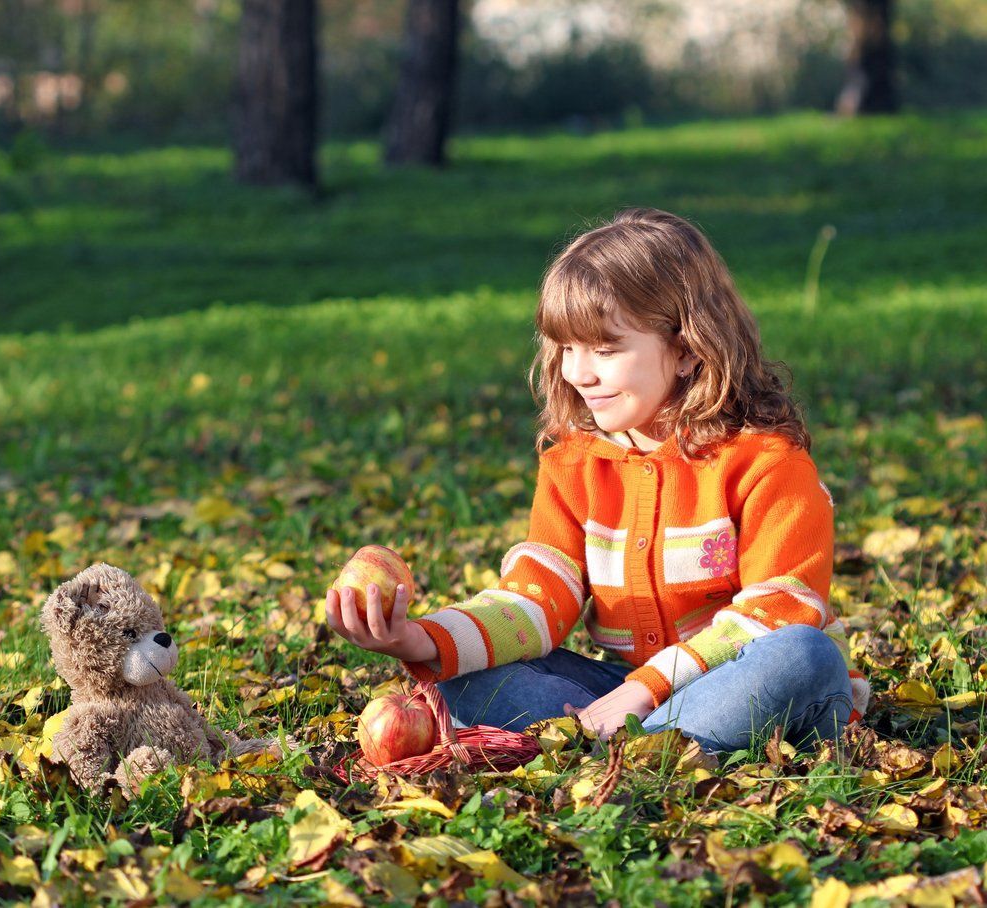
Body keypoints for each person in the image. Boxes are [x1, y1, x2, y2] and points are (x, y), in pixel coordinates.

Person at [325, 208, 868, 753]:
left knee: (803, 653)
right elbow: (537, 600)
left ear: (685, 349)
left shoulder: (767, 463)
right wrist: (417, 638)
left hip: (745, 681)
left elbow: (776, 611)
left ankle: (616, 747)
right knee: (457, 670)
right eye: (566, 349)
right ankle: (640, 746)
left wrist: (645, 689)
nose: (577, 373)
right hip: (632, 695)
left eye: (605, 350)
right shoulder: (573, 464)